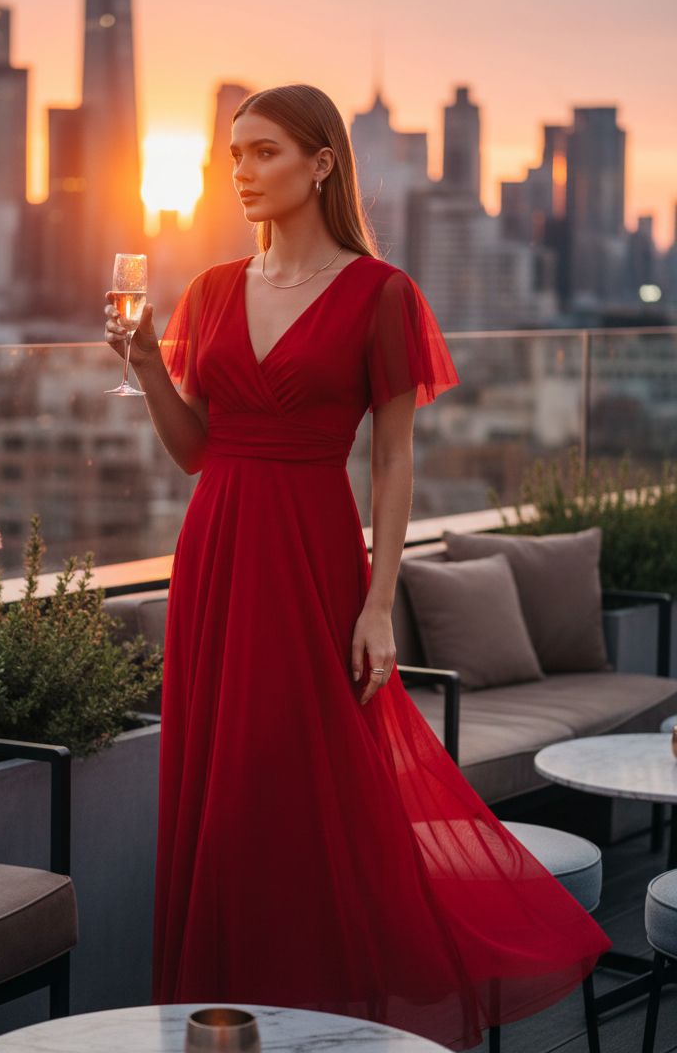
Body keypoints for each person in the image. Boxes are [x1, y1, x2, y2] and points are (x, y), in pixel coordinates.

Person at [104, 83, 610, 1050]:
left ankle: (324, 1020)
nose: (242, 173)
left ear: (321, 161)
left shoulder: (381, 295)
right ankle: (227, 1017)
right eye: (234, 155)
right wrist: (148, 368)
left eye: (264, 153)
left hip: (312, 557)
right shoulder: (210, 291)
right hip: (214, 554)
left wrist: (379, 604)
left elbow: (392, 460)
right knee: (222, 792)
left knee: (297, 783)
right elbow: (196, 452)